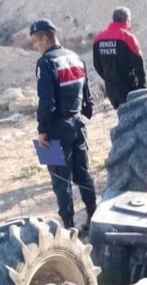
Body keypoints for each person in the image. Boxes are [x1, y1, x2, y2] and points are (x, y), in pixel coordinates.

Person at [30, 19, 98, 232]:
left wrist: (42, 131)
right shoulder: (76, 58)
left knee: (61, 180)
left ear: (44, 38)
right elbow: (88, 99)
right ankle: (94, 217)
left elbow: (46, 102)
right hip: (78, 125)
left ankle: (69, 228)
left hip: (56, 130)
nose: (35, 46)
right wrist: (82, 119)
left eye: (35, 41)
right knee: (82, 174)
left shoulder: (46, 63)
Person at [92, 6, 147, 110]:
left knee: (120, 116)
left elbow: (96, 65)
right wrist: (142, 90)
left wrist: (109, 78)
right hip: (129, 89)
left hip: (111, 89)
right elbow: (139, 67)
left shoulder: (98, 39)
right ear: (127, 20)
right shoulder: (128, 38)